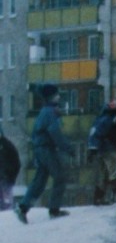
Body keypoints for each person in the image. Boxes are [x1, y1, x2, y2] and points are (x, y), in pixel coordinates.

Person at [15, 84, 72, 222]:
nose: (59, 96)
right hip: (46, 149)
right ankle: (54, 209)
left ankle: (23, 207)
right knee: (59, 177)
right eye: (56, 94)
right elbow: (55, 133)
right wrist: (67, 148)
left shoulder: (47, 111)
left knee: (40, 180)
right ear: (51, 97)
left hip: (40, 149)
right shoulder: (50, 112)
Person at [87, 100, 116, 205]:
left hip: (99, 149)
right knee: (113, 170)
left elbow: (94, 133)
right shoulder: (111, 118)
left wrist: (92, 148)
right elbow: (99, 132)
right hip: (108, 148)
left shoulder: (100, 118)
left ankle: (98, 197)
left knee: (103, 173)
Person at [0, 125, 21, 211]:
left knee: (6, 201)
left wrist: (8, 176)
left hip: (6, 177)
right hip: (6, 177)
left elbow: (14, 163)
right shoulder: (5, 145)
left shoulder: (4, 146)